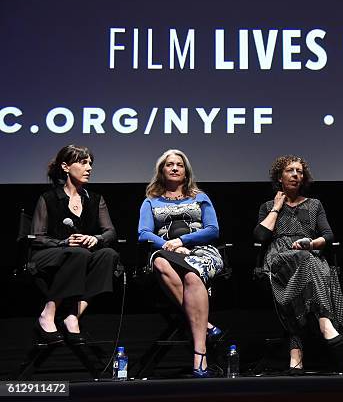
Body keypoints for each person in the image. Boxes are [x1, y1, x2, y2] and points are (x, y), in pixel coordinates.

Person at [254, 155, 343, 374]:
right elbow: (260, 235)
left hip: (308, 254)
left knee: (307, 265)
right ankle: (324, 319)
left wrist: (311, 243)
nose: (296, 175)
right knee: (307, 262)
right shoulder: (267, 206)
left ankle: (296, 353)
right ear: (280, 177)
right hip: (279, 259)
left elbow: (328, 235)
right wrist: (276, 208)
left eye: (300, 171)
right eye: (290, 171)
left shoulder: (315, 204)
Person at [138, 149, 223, 378]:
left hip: (201, 252)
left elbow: (213, 230)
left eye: (180, 165)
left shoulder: (200, 197)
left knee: (192, 276)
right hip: (166, 253)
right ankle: (205, 326)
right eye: (169, 164)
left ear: (186, 173)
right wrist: (169, 245)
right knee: (160, 264)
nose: (175, 168)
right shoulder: (151, 201)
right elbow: (143, 233)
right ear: (161, 171)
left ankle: (199, 355)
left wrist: (182, 240)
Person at [31, 145, 119, 345]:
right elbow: (37, 237)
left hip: (81, 255)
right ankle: (48, 313)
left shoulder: (95, 200)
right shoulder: (49, 198)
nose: (89, 168)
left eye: (90, 163)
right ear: (65, 166)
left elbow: (110, 232)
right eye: (83, 162)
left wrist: (96, 239)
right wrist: (64, 242)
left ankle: (73, 315)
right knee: (79, 253)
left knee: (108, 254)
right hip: (48, 254)